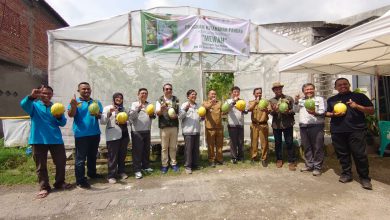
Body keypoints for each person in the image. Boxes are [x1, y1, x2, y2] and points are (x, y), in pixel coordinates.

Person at [20, 85, 72, 198]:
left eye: (49, 93)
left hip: (55, 139)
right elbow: (23, 104)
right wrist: (31, 97)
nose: (46, 95)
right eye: (44, 93)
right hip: (38, 139)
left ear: (52, 95)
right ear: (39, 94)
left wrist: (58, 117)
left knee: (60, 162)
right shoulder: (34, 106)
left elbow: (63, 123)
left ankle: (59, 183)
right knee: (40, 165)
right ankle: (44, 187)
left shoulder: (56, 107)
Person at [325, 78, 374, 190]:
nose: (343, 86)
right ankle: (347, 174)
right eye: (339, 85)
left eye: (345, 84)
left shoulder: (359, 96)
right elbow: (327, 112)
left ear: (349, 85)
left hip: (356, 130)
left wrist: (356, 106)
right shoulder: (332, 99)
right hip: (338, 131)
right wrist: (333, 114)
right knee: (342, 154)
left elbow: (371, 110)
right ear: (335, 87)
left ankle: (365, 178)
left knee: (360, 155)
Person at [68, 82, 103, 189]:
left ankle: (92, 173)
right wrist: (73, 106)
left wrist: (98, 114)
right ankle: (80, 180)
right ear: (79, 91)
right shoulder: (75, 102)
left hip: (95, 133)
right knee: (80, 158)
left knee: (92, 156)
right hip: (81, 135)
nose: (86, 91)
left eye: (88, 89)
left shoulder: (96, 102)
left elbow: (100, 116)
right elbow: (71, 115)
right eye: (84, 89)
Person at [293, 83, 325, 176]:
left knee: (318, 147)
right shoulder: (301, 100)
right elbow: (295, 110)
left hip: (316, 126)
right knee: (306, 147)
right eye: (307, 89)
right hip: (303, 126)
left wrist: (315, 113)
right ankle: (309, 165)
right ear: (303, 91)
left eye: (311, 89)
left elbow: (323, 111)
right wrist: (295, 101)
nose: (309, 91)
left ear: (314, 90)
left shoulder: (319, 99)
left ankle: (317, 167)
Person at [101, 93, 130, 184]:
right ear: (113, 99)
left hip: (124, 135)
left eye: (121, 98)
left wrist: (125, 121)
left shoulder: (124, 109)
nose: (119, 99)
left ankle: (121, 171)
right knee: (113, 156)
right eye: (117, 98)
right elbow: (103, 121)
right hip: (113, 136)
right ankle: (111, 175)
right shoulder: (107, 108)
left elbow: (129, 122)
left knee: (122, 155)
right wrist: (110, 113)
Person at [269, 82, 296, 171]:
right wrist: (275, 110)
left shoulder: (289, 98)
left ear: (281, 89)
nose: (278, 90)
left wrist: (288, 111)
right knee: (278, 143)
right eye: (276, 89)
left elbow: (294, 110)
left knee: (289, 142)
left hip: (288, 124)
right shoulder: (272, 101)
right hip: (276, 125)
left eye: (279, 88)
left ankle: (291, 161)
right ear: (273, 91)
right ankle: (279, 159)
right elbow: (271, 113)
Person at [129, 88, 155, 179]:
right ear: (138, 94)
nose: (144, 94)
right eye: (142, 93)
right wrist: (138, 109)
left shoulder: (149, 105)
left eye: (145, 93)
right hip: (137, 131)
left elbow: (153, 116)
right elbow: (131, 117)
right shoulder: (134, 104)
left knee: (146, 150)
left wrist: (152, 114)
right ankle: (137, 170)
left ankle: (146, 166)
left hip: (147, 130)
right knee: (137, 151)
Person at [155, 83, 180, 173]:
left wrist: (175, 116)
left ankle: (173, 163)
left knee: (173, 146)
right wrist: (162, 109)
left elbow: (179, 112)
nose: (169, 90)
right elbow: (157, 113)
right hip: (164, 126)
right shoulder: (159, 100)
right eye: (167, 89)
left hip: (174, 126)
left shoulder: (176, 99)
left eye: (170, 89)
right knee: (164, 148)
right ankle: (164, 165)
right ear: (163, 90)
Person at [179, 89, 201, 174]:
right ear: (188, 96)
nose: (194, 96)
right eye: (192, 94)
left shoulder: (198, 106)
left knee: (195, 149)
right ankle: (188, 166)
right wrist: (185, 110)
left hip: (196, 130)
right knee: (188, 150)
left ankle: (195, 164)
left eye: (195, 94)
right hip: (188, 131)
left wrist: (202, 118)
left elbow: (199, 117)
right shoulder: (184, 105)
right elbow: (180, 117)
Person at [248, 87, 270, 167]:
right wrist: (255, 103)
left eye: (260, 93)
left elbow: (269, 111)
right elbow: (249, 109)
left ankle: (264, 158)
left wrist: (266, 110)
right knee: (254, 142)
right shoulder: (251, 102)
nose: (259, 94)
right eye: (257, 93)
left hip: (263, 124)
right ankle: (254, 157)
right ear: (254, 94)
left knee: (264, 143)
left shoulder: (266, 102)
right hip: (254, 124)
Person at [203, 90, 224, 167]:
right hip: (210, 128)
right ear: (208, 95)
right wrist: (212, 102)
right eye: (212, 94)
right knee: (211, 145)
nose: (213, 95)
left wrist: (227, 109)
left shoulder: (219, 103)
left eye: (215, 94)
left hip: (219, 127)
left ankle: (219, 159)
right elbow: (207, 107)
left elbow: (223, 111)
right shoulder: (205, 102)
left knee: (220, 144)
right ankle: (211, 160)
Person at [226, 86, 245, 164]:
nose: (236, 93)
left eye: (237, 92)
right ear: (232, 93)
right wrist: (234, 101)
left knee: (240, 142)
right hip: (232, 124)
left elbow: (245, 110)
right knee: (233, 142)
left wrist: (243, 110)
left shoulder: (242, 101)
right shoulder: (228, 101)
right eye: (235, 92)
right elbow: (226, 109)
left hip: (240, 124)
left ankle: (240, 156)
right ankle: (234, 157)